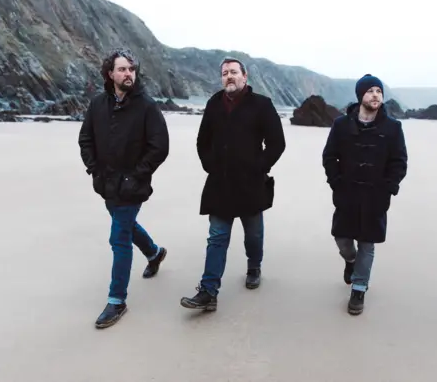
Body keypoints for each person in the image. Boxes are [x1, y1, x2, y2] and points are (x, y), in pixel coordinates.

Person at [180, 56, 286, 311]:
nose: (229, 76)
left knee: (254, 235)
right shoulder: (214, 104)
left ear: (245, 76)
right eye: (225, 72)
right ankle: (208, 291)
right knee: (217, 237)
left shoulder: (262, 105)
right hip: (220, 184)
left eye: (234, 72)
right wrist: (210, 165)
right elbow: (202, 142)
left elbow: (277, 143)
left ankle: (254, 266)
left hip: (251, 184)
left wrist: (259, 166)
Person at [78, 48, 170, 328]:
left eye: (131, 69)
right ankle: (154, 253)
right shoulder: (97, 104)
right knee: (125, 226)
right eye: (122, 69)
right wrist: (94, 168)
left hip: (133, 186)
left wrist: (136, 176)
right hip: (106, 183)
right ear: (111, 74)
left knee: (118, 237)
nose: (128, 73)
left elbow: (159, 147)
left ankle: (117, 300)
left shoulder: (147, 106)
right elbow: (85, 139)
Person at [322, 74, 408, 315]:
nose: (375, 95)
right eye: (370, 91)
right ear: (361, 95)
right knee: (342, 239)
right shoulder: (341, 124)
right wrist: (336, 182)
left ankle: (359, 289)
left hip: (375, 197)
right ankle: (350, 261)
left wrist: (389, 187)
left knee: (367, 244)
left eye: (379, 91)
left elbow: (399, 161)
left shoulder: (393, 127)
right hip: (346, 193)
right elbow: (329, 156)